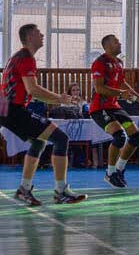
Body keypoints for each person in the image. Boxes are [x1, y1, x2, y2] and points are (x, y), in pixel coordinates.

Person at [0, 24, 87, 205]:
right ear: (30, 37)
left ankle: (24, 189)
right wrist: (60, 99)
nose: (42, 36)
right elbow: (33, 89)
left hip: (7, 111)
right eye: (39, 33)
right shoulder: (26, 58)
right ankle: (60, 191)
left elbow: (25, 90)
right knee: (60, 138)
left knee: (38, 142)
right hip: (12, 110)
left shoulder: (17, 57)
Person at [90, 34, 139, 188]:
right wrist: (120, 94)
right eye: (116, 41)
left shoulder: (118, 62)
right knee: (118, 137)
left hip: (114, 106)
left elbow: (123, 84)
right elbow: (99, 88)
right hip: (100, 108)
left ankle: (119, 168)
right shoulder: (100, 62)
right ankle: (110, 173)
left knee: (136, 136)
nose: (119, 43)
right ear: (107, 46)